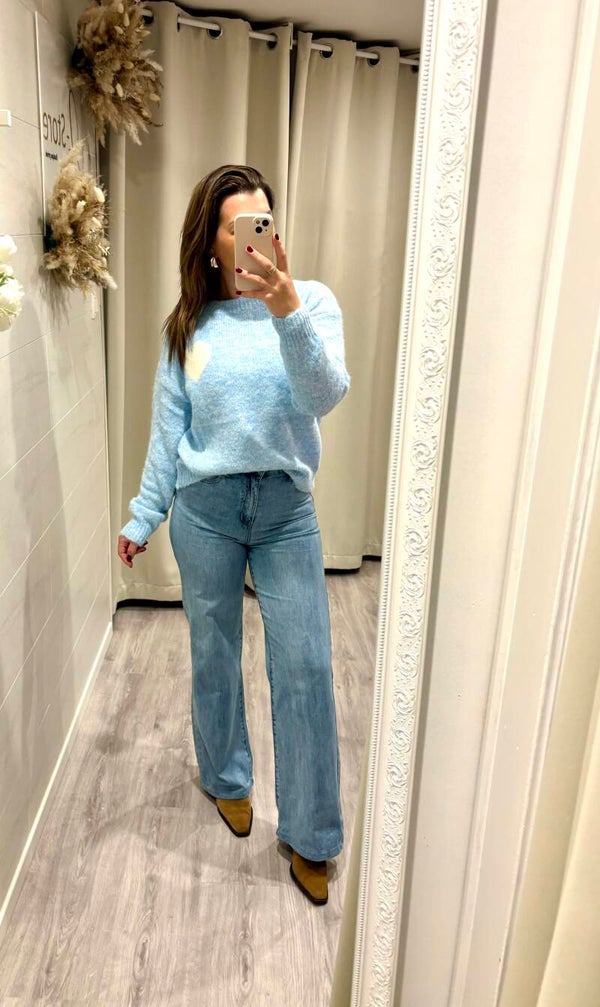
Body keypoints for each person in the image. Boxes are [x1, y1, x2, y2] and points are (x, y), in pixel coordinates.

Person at [117, 164, 351, 906]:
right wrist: (143, 513)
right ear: (212, 243)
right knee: (213, 651)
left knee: (306, 665)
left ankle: (312, 831)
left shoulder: (311, 302)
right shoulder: (189, 327)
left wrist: (286, 312)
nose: (257, 237)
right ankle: (225, 776)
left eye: (264, 221)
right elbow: (169, 431)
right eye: (238, 225)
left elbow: (325, 395)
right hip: (205, 509)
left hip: (285, 511)